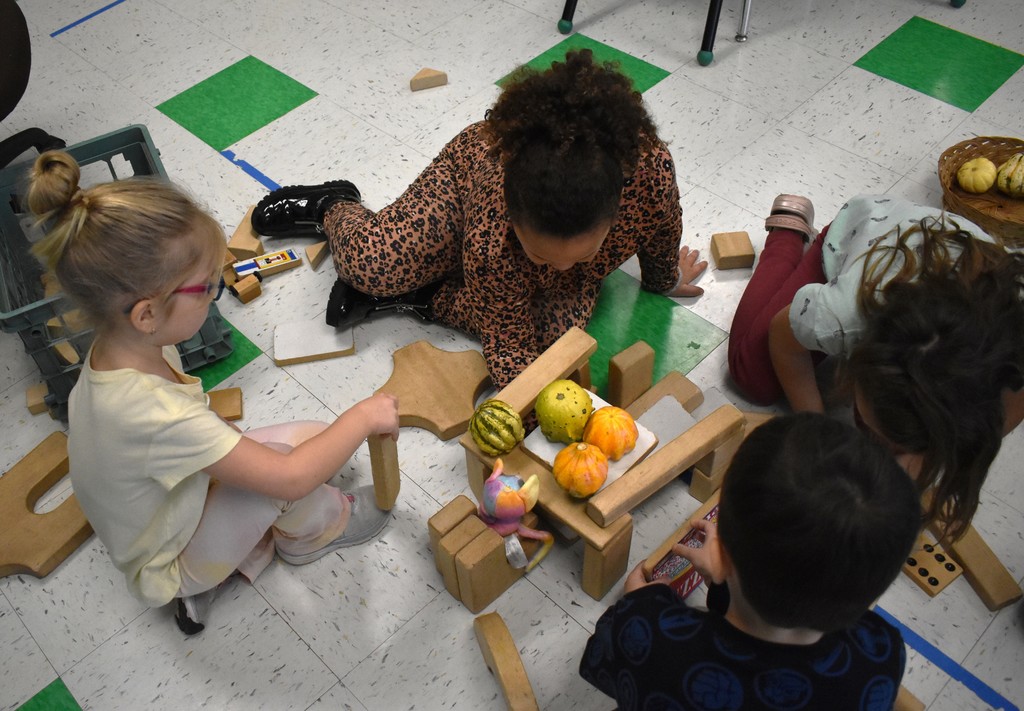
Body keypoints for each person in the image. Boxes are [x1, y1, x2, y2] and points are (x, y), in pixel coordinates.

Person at [28, 150, 400, 634]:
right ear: (146, 313)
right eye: (205, 289)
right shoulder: (153, 409)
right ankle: (309, 539)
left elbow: (184, 437)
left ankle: (243, 545)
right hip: (168, 559)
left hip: (166, 506)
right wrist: (364, 417)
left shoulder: (124, 347)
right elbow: (287, 478)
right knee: (297, 476)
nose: (214, 295)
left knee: (317, 441)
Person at [250, 49, 707, 389]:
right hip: (463, 187)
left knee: (552, 340)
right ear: (512, 217)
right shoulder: (493, 225)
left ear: (616, 209)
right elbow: (508, 345)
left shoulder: (650, 176)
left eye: (582, 253)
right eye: (539, 253)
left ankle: (424, 296)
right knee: (372, 264)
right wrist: (533, 421)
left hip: (502, 253)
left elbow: (663, 228)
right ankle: (330, 206)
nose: (558, 269)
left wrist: (663, 279)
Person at [728, 193, 1024, 538]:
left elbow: (1002, 416)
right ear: (856, 360)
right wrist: (815, 424)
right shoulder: (845, 315)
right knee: (751, 374)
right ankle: (787, 236)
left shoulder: (1011, 344)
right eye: (863, 423)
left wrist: (944, 457)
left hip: (947, 262)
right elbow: (783, 337)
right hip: (857, 233)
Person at [579, 413, 921, 710]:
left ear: (723, 553)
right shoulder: (882, 652)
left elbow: (602, 663)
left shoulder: (650, 637)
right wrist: (723, 583)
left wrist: (640, 601)